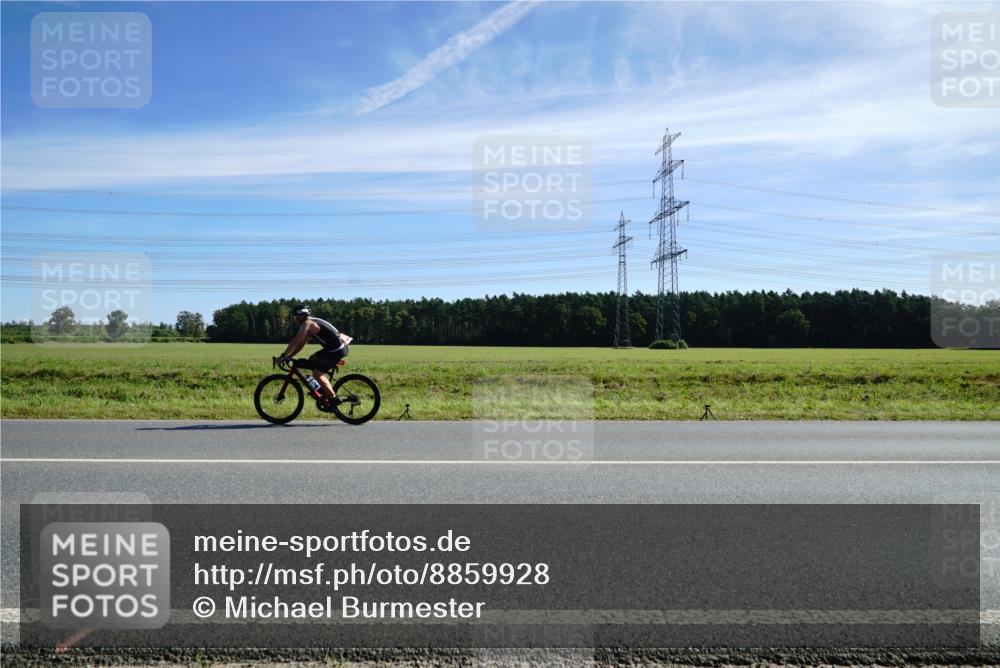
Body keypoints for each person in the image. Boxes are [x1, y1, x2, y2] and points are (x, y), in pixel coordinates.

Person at [276, 305, 347, 404]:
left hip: (335, 350)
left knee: (317, 374)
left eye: (296, 317)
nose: (295, 320)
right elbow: (302, 343)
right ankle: (320, 389)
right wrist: (290, 356)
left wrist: (283, 356)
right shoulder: (312, 322)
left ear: (301, 316)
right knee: (312, 359)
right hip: (334, 348)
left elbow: (295, 341)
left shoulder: (307, 324)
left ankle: (334, 399)